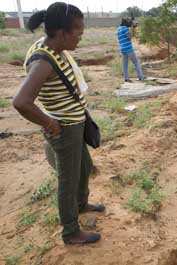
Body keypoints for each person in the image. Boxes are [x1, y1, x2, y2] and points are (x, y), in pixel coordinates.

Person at [13, 2, 104, 245]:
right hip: (64, 130)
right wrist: (49, 122)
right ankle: (71, 231)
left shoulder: (53, 48)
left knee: (84, 168)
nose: (80, 38)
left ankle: (82, 204)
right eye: (79, 33)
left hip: (75, 123)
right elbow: (21, 102)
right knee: (68, 180)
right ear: (62, 33)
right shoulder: (43, 61)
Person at [116, 18, 145, 82]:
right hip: (128, 48)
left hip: (122, 49)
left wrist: (131, 27)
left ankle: (126, 78)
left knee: (125, 64)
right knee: (136, 62)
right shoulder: (125, 28)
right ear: (125, 23)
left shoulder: (118, 29)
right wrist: (133, 28)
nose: (129, 23)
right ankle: (141, 77)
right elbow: (130, 37)